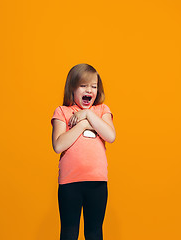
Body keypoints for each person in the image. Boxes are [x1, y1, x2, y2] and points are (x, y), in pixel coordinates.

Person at [51, 63, 116, 240]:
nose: (89, 90)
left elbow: (110, 135)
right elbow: (58, 146)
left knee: (94, 233)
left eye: (93, 86)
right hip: (70, 183)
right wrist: (83, 124)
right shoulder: (63, 112)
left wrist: (89, 116)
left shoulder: (101, 110)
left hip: (97, 182)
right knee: (69, 232)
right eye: (83, 85)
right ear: (72, 88)